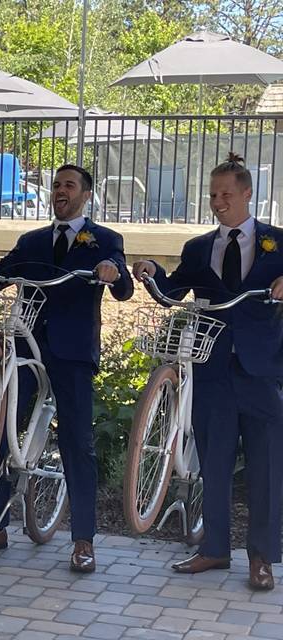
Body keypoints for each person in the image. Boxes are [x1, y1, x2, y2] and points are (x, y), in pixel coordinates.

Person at [0, 164, 133, 572]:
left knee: (77, 443)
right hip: (27, 348)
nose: (60, 191)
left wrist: (113, 272)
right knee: (4, 430)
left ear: (85, 195)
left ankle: (83, 540)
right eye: (56, 185)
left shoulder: (104, 239)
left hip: (72, 354)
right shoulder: (32, 241)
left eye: (68, 185)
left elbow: (122, 286)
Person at [133, 152, 283, 591]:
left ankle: (262, 558)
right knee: (213, 465)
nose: (218, 202)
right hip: (212, 369)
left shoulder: (278, 242)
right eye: (213, 195)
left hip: (261, 370)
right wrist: (150, 273)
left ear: (248, 194)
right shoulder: (199, 248)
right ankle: (215, 549)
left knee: (267, 467)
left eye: (226, 194)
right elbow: (172, 289)